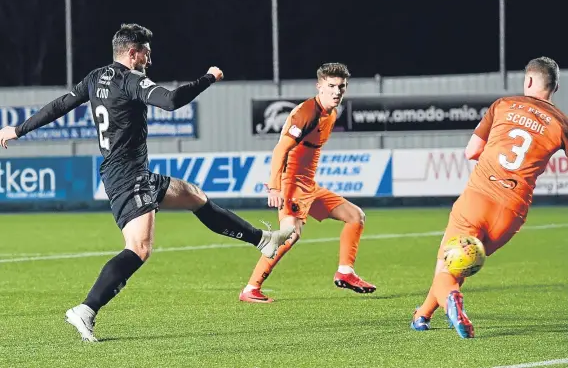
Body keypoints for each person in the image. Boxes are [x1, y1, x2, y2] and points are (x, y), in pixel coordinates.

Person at [0, 23, 294, 342]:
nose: (149, 61)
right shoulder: (131, 80)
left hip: (132, 173)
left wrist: (18, 129)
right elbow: (171, 101)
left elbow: (59, 105)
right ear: (133, 52)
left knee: (194, 195)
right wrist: (209, 78)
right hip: (129, 176)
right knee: (139, 248)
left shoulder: (95, 77)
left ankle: (263, 240)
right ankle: (85, 310)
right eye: (146, 54)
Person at [411, 56, 567, 338]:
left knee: (447, 265)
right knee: (461, 262)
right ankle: (422, 315)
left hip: (478, 197)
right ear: (554, 87)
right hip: (512, 212)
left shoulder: (503, 105)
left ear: (529, 80)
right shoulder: (560, 123)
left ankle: (451, 301)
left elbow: (471, 151)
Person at [238, 62, 376, 303]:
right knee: (290, 235)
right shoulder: (307, 113)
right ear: (319, 86)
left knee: (356, 217)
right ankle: (251, 288)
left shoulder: (330, 113)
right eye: (331, 86)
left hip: (309, 185)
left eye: (341, 87)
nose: (337, 92)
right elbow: (281, 149)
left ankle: (345, 272)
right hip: (291, 183)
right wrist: (274, 187)